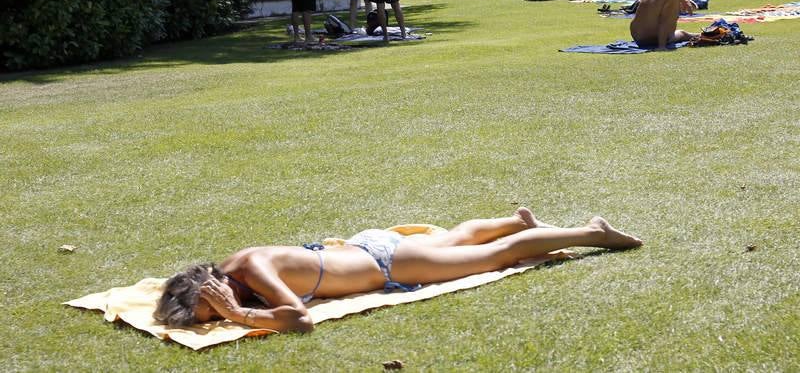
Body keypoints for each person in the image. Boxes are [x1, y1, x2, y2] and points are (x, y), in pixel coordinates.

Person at [154, 208, 643, 332]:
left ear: (210, 285)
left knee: (501, 257)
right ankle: (513, 219)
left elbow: (299, 319)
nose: (218, 312)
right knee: (453, 238)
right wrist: (232, 308)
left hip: (388, 261)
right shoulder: (236, 270)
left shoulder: (253, 270)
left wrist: (240, 316)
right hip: (372, 249)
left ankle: (590, 232)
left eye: (209, 308)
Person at [630, 0, 699, 50]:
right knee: (678, 32)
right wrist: (661, 46)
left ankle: (701, 35)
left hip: (637, 35)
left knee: (683, 34)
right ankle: (662, 44)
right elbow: (666, 19)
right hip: (649, 37)